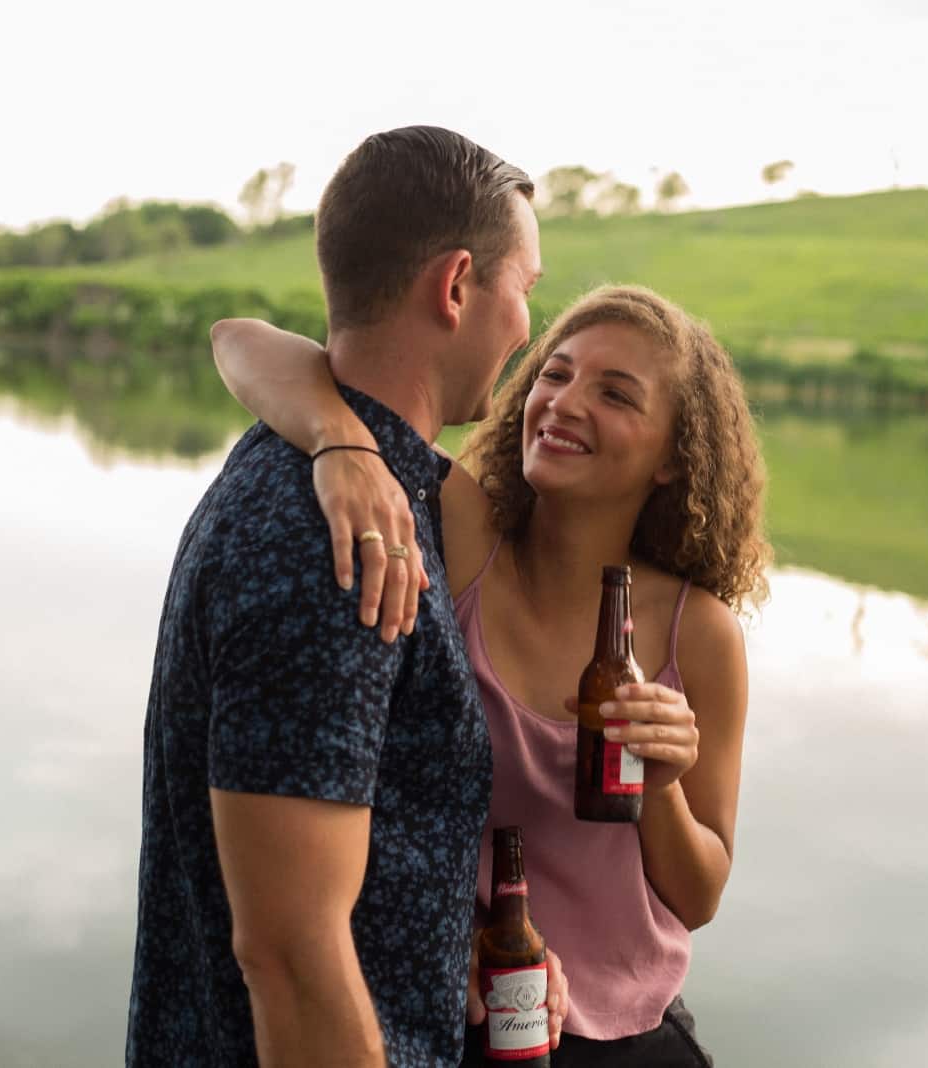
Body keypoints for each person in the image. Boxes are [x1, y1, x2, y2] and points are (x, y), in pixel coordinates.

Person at [211, 283, 771, 1066]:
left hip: (627, 1040)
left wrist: (663, 783)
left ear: (676, 456)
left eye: (614, 393)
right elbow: (239, 340)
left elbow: (699, 897)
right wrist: (340, 443)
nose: (564, 403)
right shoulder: (465, 537)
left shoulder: (699, 632)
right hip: (466, 1021)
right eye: (555, 373)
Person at [127, 125, 568, 1068]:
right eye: (525, 290)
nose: (529, 328)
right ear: (456, 286)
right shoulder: (338, 548)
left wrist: (444, 947)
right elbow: (289, 956)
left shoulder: (359, 483)